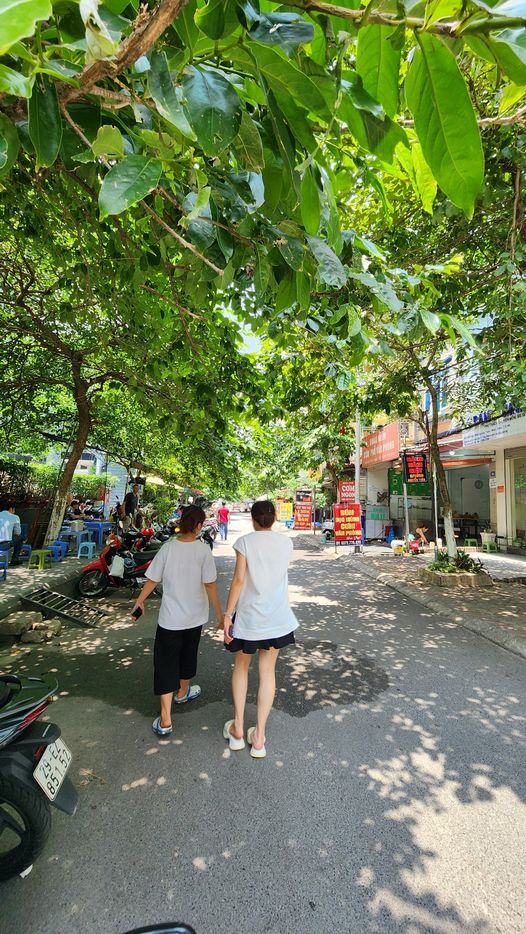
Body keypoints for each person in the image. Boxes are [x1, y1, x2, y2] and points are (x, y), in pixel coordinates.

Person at [131, 505, 223, 737]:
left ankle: (165, 720)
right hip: (195, 617)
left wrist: (139, 601)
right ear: (199, 525)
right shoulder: (203, 550)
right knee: (188, 654)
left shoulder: (168, 548)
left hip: (170, 619)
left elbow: (152, 579)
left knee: (165, 663)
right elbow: (210, 585)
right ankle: (182, 692)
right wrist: (221, 616)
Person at [222, 500, 298, 759]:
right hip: (277, 618)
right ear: (274, 517)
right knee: (267, 672)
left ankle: (238, 729)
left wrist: (227, 615)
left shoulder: (245, 542)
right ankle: (259, 738)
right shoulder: (286, 543)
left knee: (241, 667)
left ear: (253, 519)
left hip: (249, 618)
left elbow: (239, 580)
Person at [0, 501, 24, 566]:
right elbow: (18, 532)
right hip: (4, 545)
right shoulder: (15, 517)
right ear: (11, 509)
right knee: (21, 537)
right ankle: (14, 560)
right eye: (14, 510)